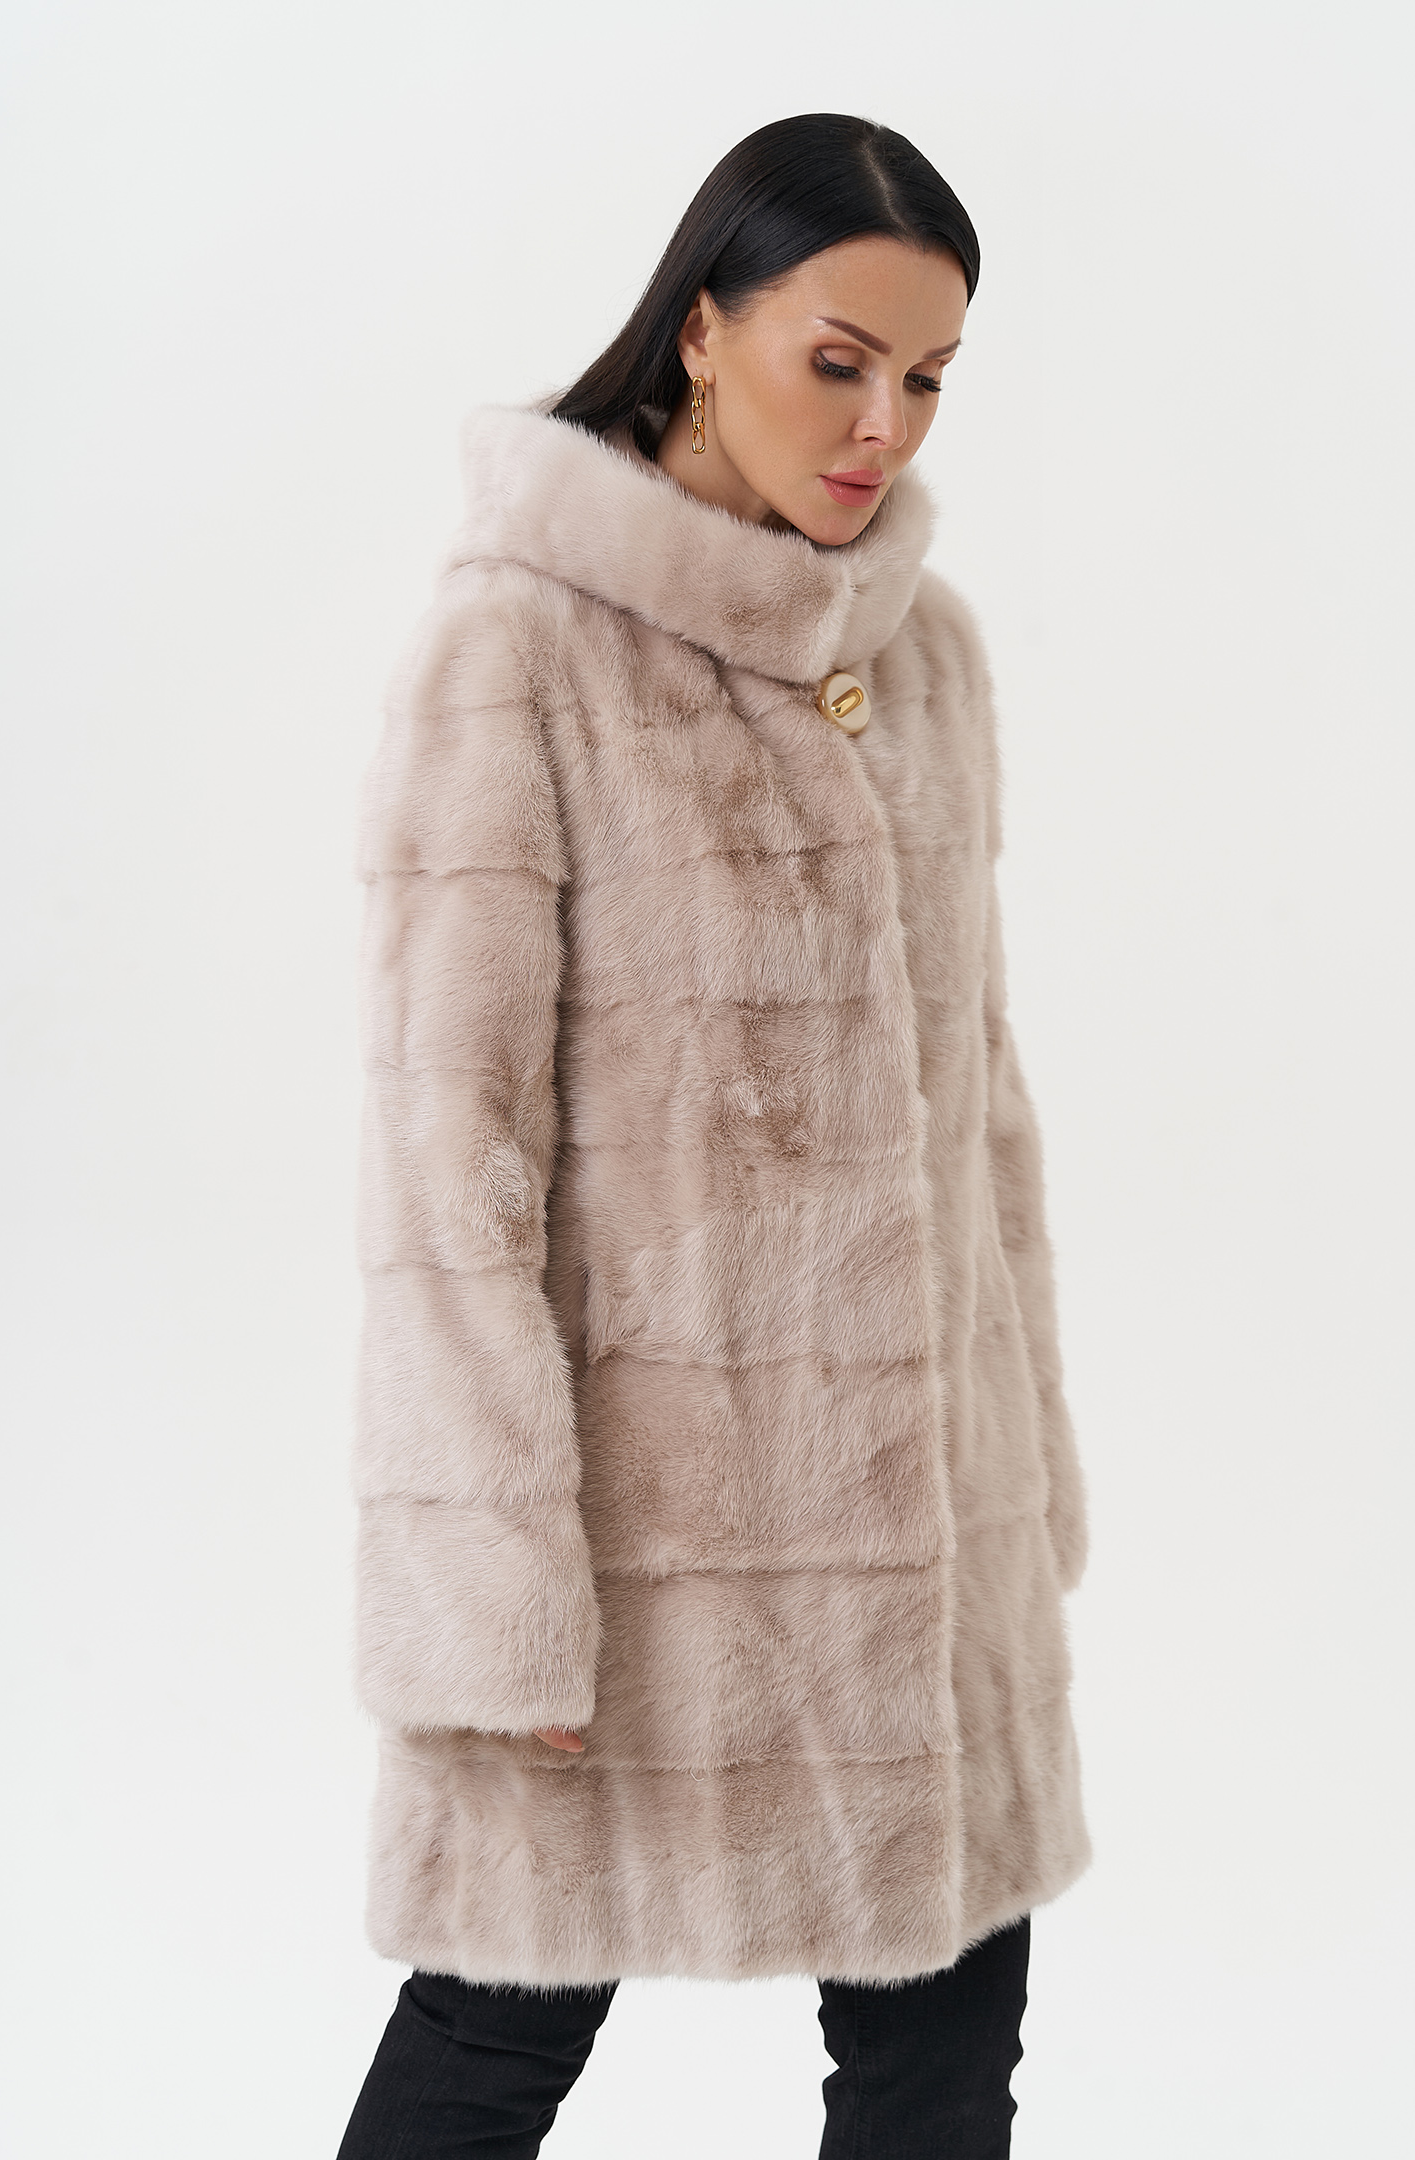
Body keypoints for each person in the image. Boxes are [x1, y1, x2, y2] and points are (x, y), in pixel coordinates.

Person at [337, 112, 1091, 2159]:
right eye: (837, 361)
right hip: (631, 1547)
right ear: (699, 328)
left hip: (925, 1545)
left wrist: (1021, 1479)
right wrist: (495, 1581)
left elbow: (981, 1103)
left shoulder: (921, 658)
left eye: (927, 378)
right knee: (491, 2044)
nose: (882, 427)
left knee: (943, 2071)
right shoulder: (520, 650)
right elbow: (450, 1157)